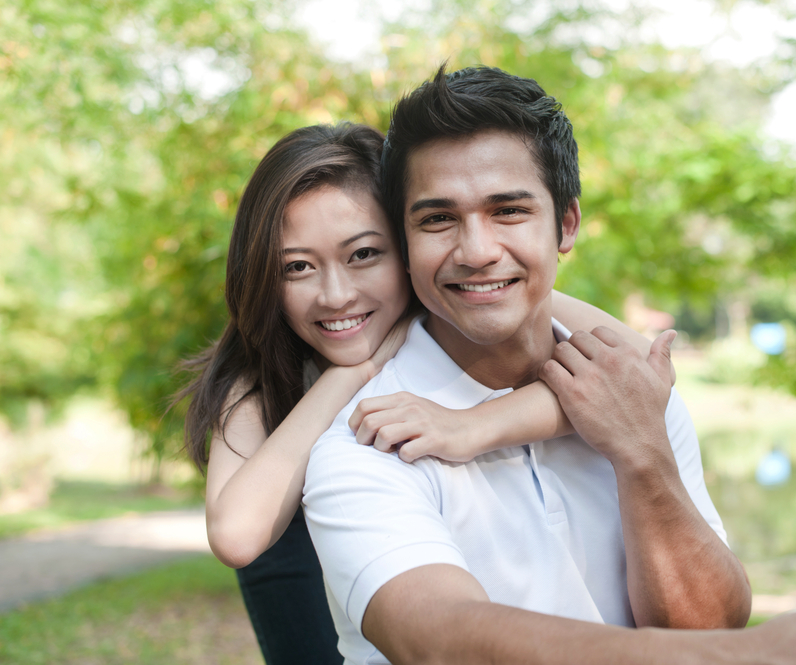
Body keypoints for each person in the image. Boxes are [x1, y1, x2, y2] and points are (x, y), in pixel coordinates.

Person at [301, 66, 796, 665]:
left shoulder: (635, 389)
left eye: (509, 211)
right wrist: (746, 654)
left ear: (565, 224)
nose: (477, 251)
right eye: (438, 219)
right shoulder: (365, 439)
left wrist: (642, 455)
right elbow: (438, 639)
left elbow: (705, 623)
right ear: (405, 243)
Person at [179, 122, 663, 665]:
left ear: (410, 249)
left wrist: (476, 426)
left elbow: (639, 371)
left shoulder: (451, 311)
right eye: (297, 267)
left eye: (363, 254)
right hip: (290, 551)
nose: (336, 295)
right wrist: (349, 376)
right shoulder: (257, 373)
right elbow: (238, 535)